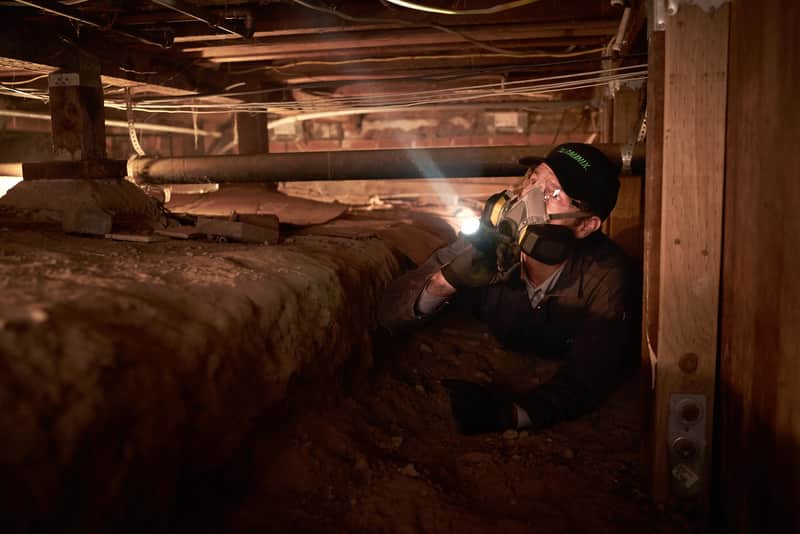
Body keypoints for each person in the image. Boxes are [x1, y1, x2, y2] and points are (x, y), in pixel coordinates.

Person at [377, 143, 636, 435]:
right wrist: (445, 281)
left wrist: (513, 415)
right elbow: (389, 311)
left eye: (552, 193)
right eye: (533, 180)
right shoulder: (489, 246)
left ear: (586, 226)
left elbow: (589, 377)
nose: (529, 196)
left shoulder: (605, 274)